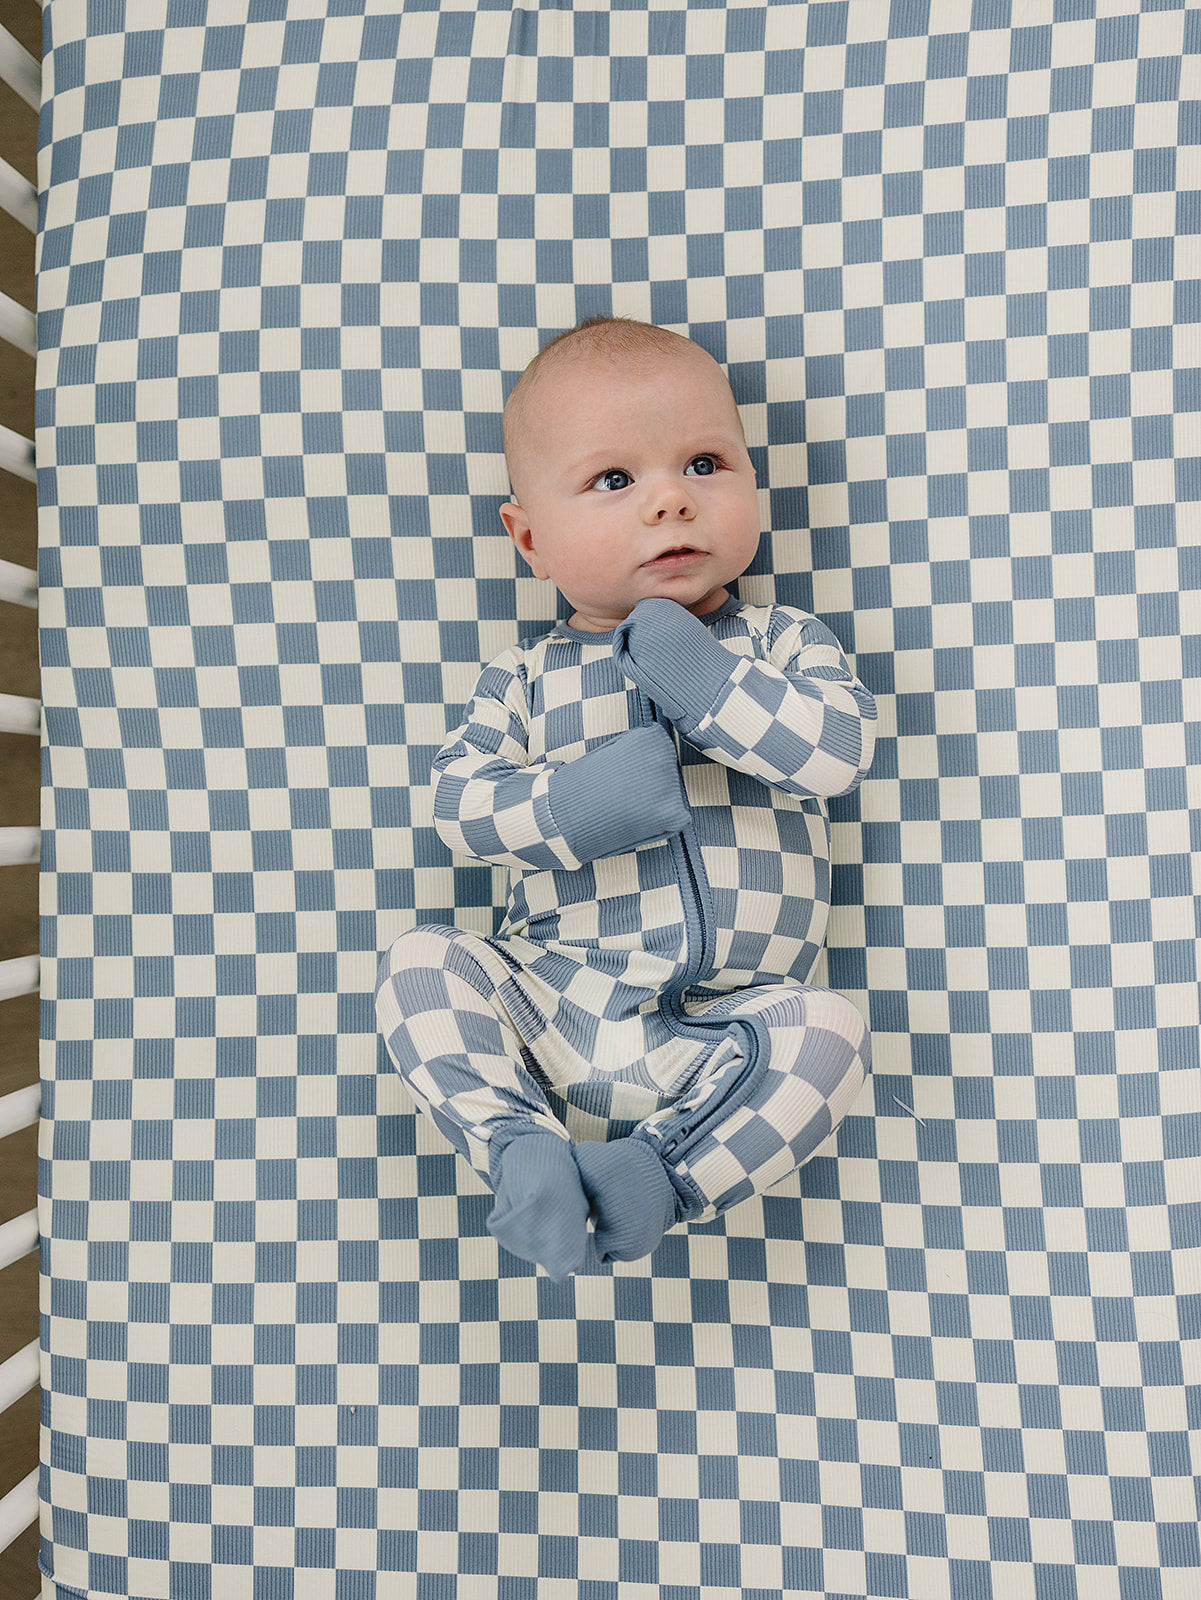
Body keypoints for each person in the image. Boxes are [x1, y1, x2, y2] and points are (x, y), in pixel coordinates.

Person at [376, 316, 877, 1280]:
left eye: (704, 464)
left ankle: (654, 1179)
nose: (670, 501)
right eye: (614, 479)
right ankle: (514, 1143)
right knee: (422, 964)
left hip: (724, 1029)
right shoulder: (524, 677)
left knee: (830, 1035)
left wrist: (712, 683)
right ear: (531, 539)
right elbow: (460, 811)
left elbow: (837, 754)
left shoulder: (778, 644)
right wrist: (577, 803)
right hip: (547, 1002)